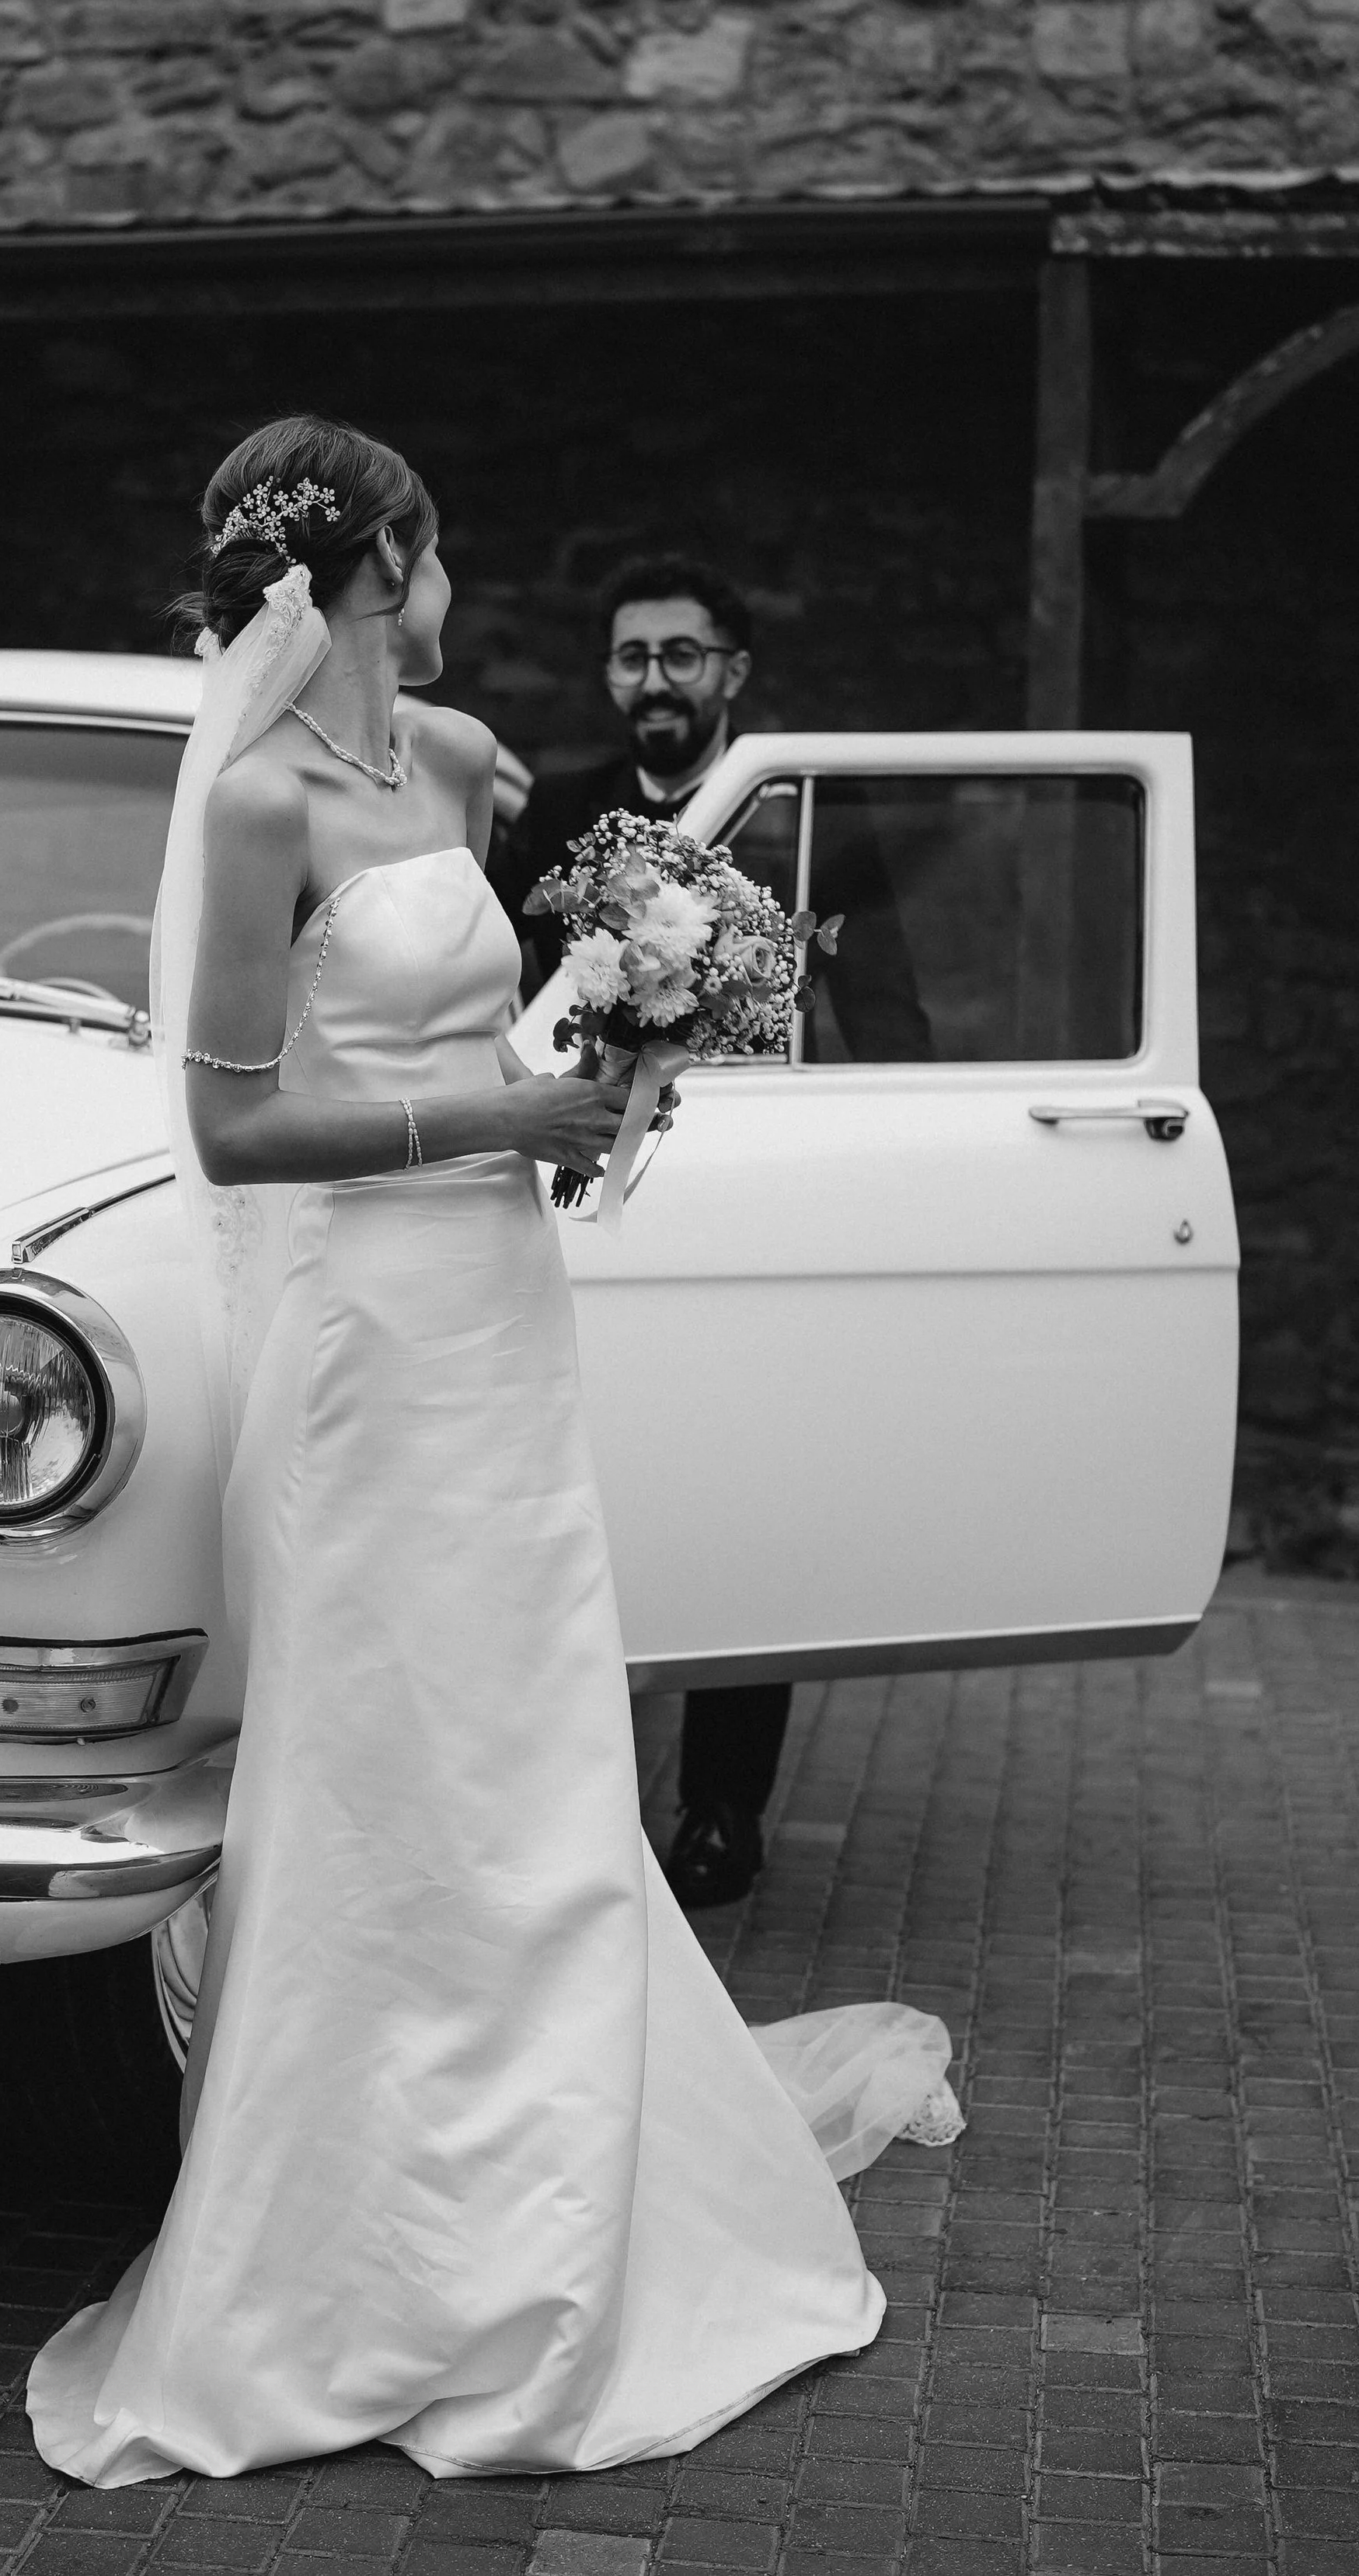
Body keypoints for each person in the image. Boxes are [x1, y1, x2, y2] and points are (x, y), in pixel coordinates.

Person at [26, 418, 959, 2489]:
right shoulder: (256, 795)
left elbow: (518, 1018)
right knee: (391, 1749)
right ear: (384, 561)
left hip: (500, 1303)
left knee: (531, 1725)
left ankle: (566, 2176)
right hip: (374, 1321)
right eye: (440, 546)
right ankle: (358, 2236)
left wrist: (619, 1055)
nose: (458, 587)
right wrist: (487, 1126)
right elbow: (230, 1123)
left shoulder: (450, 768)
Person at [499, 556, 932, 1911]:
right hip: (588, 1184)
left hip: (760, 1188)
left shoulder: (805, 810)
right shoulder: (564, 810)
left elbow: (888, 1007)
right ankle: (579, 1803)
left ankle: (723, 1811)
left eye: (681, 656)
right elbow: (507, 1000)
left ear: (733, 673)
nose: (653, 682)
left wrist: (903, 1160)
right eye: (632, 657)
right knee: (592, 1488)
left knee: (749, 1483)